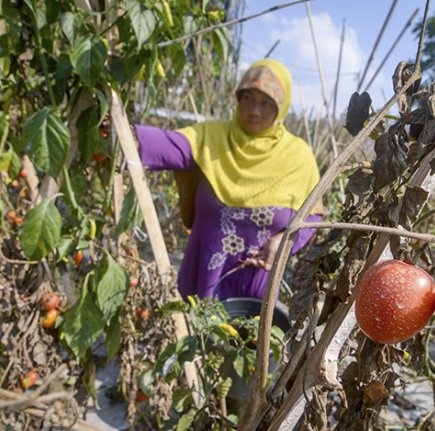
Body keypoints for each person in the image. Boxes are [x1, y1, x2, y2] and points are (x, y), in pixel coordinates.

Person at [134, 59, 324, 300]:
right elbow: (168, 145)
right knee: (197, 336)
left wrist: (283, 243)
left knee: (250, 338)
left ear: (281, 108)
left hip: (255, 295)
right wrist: (125, 131)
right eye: (248, 98)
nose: (254, 110)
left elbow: (314, 217)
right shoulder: (212, 137)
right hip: (202, 285)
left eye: (266, 103)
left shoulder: (298, 156)